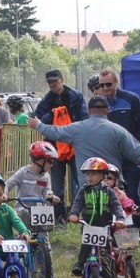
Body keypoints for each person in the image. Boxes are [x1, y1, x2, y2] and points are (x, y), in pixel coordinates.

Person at [27, 96, 140, 188]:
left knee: (89, 224)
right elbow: (138, 153)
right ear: (107, 110)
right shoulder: (118, 130)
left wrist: (38, 124)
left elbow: (54, 132)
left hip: (87, 187)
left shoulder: (77, 129)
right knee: (114, 226)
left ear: (89, 111)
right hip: (111, 185)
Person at [5, 141, 61, 278]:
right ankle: (18, 270)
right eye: (49, 162)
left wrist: (52, 198)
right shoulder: (23, 172)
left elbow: (47, 193)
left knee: (45, 243)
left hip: (39, 211)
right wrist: (4, 193)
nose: (51, 165)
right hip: (23, 208)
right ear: (40, 160)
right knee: (22, 238)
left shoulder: (46, 177)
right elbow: (8, 184)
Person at [98, 68, 140, 230]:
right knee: (111, 194)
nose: (105, 88)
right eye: (102, 85)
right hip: (111, 159)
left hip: (131, 157)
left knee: (133, 194)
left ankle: (137, 230)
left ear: (116, 83)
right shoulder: (100, 102)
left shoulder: (131, 99)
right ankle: (114, 228)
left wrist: (134, 146)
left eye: (109, 84)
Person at [34, 69, 88, 226]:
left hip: (74, 146)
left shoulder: (76, 96)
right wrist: (52, 115)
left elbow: (84, 118)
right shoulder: (46, 100)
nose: (52, 84)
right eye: (50, 82)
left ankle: (83, 218)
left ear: (62, 79)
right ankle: (60, 220)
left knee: (83, 183)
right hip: (54, 148)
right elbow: (37, 119)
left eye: (55, 81)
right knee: (57, 187)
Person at [68, 157, 126, 278]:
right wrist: (74, 214)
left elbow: (116, 206)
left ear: (102, 175)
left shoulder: (109, 191)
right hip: (88, 225)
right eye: (87, 174)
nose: (89, 177)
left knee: (107, 253)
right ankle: (80, 264)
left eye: (93, 174)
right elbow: (77, 203)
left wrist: (120, 219)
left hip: (104, 226)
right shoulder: (84, 190)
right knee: (86, 246)